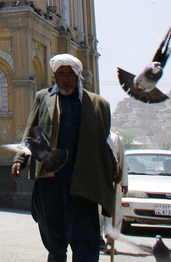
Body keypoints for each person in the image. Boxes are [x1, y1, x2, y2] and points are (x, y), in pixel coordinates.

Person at [11, 54, 115, 262]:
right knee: (53, 234)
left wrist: (113, 166)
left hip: (83, 180)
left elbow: (104, 142)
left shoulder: (97, 104)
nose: (66, 79)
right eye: (61, 75)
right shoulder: (43, 98)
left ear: (77, 77)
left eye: (70, 74)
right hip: (52, 180)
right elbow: (32, 131)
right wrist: (19, 160)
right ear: (55, 77)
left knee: (84, 237)